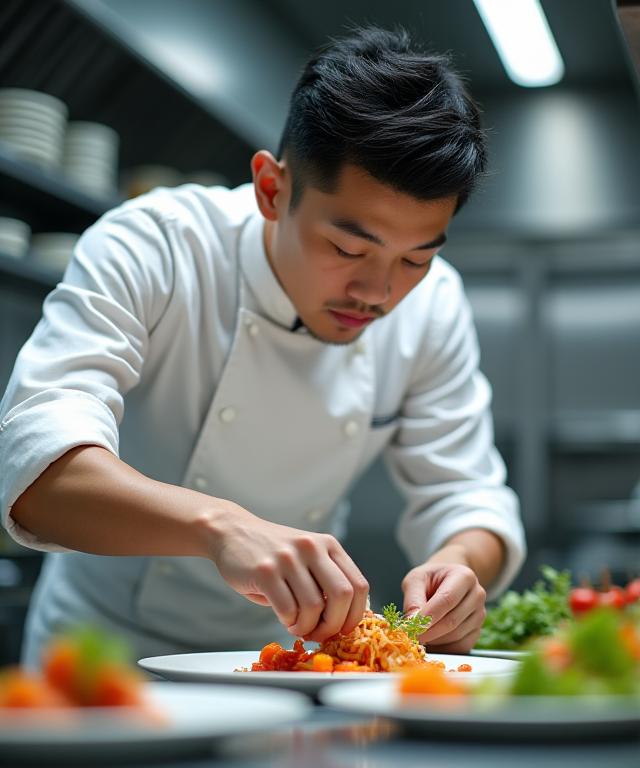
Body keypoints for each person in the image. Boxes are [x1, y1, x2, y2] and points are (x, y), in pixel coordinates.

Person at [0, 26, 525, 666]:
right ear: (272, 190)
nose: (379, 293)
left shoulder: (435, 303)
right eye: (347, 249)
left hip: (284, 662)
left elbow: (467, 494)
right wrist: (221, 527)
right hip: (99, 651)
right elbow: (36, 468)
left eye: (414, 258)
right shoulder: (159, 243)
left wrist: (458, 563)